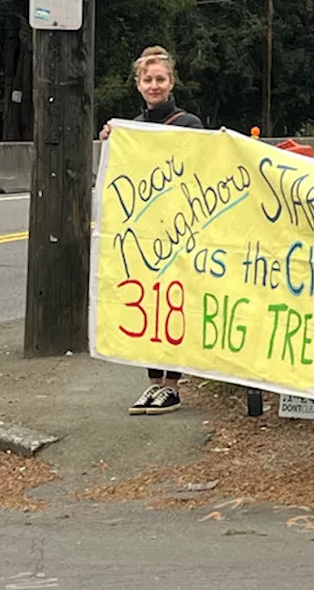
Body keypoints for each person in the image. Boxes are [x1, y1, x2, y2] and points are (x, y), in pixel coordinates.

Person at [101, 46, 205, 416]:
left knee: (172, 303)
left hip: (177, 231)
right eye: (148, 79)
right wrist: (112, 142)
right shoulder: (131, 128)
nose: (154, 85)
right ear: (138, 84)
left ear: (171, 82)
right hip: (142, 233)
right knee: (145, 303)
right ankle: (153, 383)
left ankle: (173, 385)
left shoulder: (188, 124)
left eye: (160, 79)